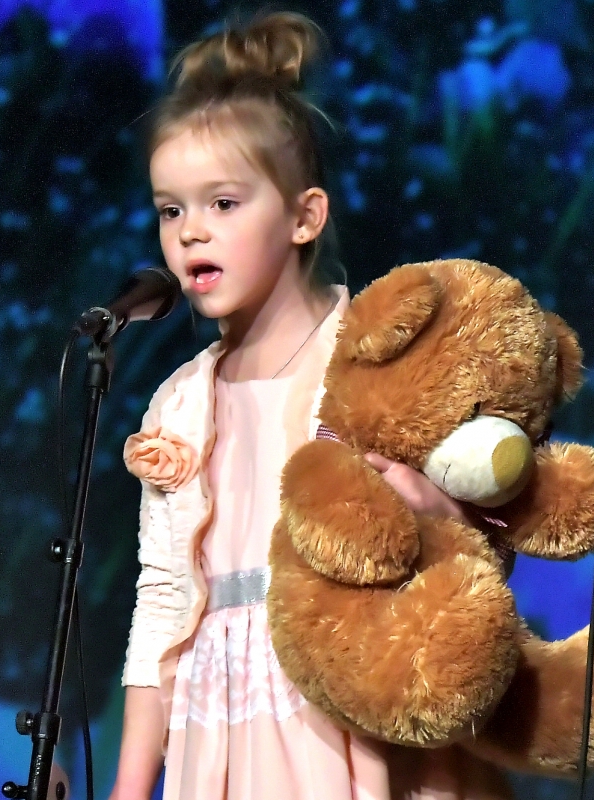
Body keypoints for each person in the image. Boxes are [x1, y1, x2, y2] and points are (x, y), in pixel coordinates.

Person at [109, 12, 514, 800]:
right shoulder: (180, 403)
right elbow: (161, 603)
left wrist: (430, 506)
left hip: (348, 720)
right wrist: (129, 787)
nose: (191, 234)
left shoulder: (370, 357)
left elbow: (485, 564)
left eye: (224, 204)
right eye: (170, 210)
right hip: (221, 740)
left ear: (305, 216)